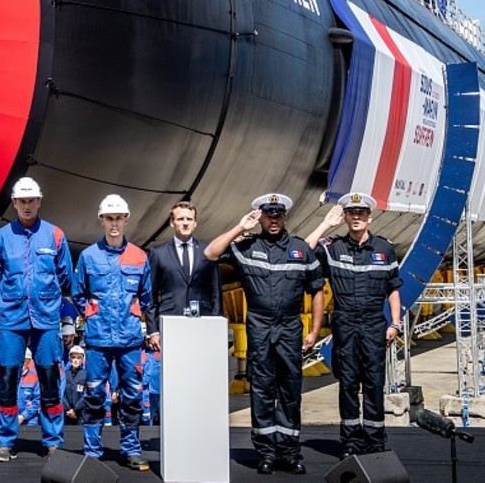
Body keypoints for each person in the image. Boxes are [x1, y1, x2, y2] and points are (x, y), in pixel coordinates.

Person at [206, 193, 323, 475]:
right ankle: (266, 453)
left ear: (285, 217)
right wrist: (239, 228)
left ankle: (289, 452)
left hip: (289, 327)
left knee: (290, 390)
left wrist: (315, 330)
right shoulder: (246, 247)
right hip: (259, 328)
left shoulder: (301, 250)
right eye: (268, 215)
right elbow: (211, 253)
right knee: (261, 390)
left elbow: (317, 290)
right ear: (261, 217)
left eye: (278, 215)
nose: (274, 220)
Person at [307, 192, 403, 458]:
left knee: (373, 383)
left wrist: (395, 323)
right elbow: (304, 250)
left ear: (369, 217)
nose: (356, 217)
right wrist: (327, 224)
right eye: (352, 213)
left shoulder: (384, 249)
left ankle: (374, 439)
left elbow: (393, 289)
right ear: (346, 217)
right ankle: (350, 440)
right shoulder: (333, 247)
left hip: (374, 324)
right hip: (345, 324)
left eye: (361, 214)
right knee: (348, 384)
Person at [0, 176, 74, 461]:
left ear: (39, 201)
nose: (26, 205)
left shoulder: (55, 235)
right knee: (8, 381)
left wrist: (46, 299)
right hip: (12, 320)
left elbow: (65, 277)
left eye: (31, 200)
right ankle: (4, 443)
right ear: (13, 203)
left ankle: (53, 442)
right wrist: (13, 298)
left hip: (46, 320)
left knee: (50, 381)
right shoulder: (1, 238)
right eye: (21, 201)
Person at [72, 194, 153, 473]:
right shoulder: (88, 256)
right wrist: (92, 316)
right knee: (95, 394)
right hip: (98, 340)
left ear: (126, 220)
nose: (114, 223)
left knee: (132, 395)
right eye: (109, 218)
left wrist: (131, 315)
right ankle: (92, 451)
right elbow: (78, 293)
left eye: (119, 218)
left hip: (129, 341)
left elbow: (146, 296)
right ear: (101, 221)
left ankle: (131, 449)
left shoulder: (139, 257)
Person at [144, 200, 223, 353]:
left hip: (203, 322)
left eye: (189, 219)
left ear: (195, 223)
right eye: (180, 219)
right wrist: (153, 330)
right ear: (172, 223)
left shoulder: (208, 250)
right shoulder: (158, 253)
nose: (185, 223)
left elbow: (216, 291)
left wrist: (217, 324)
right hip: (170, 321)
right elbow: (150, 295)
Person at [62, 345, 87, 426]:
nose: (76, 360)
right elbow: (61, 393)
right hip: (66, 413)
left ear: (82, 359)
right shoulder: (64, 374)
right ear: (69, 358)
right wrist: (68, 409)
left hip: (80, 414)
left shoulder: (85, 375)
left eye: (79, 358)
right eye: (73, 357)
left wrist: (75, 409)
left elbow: (86, 394)